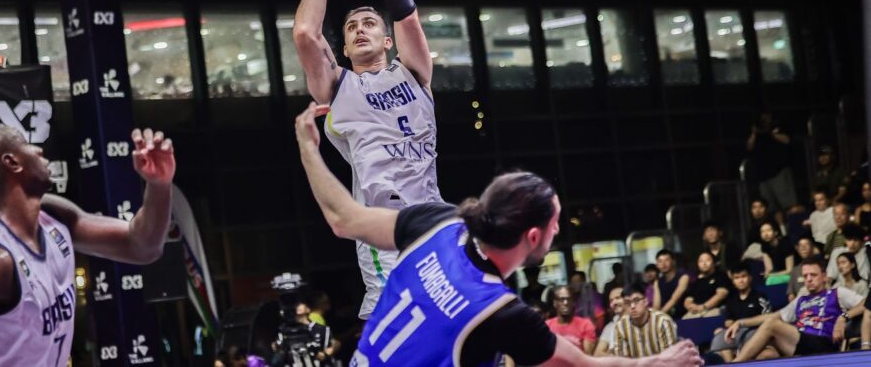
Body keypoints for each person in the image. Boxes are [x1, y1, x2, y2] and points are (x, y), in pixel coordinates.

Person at [292, 103, 703, 366]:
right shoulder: (500, 311)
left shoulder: (439, 222)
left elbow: (342, 218)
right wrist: (659, 362)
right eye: (556, 222)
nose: (559, 229)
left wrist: (309, 147)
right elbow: (584, 366)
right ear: (533, 236)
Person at [292, 0, 442, 319]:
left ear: (388, 39)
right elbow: (305, 34)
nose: (359, 28)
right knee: (394, 341)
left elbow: (408, 13)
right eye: (351, 26)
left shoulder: (413, 74)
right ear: (342, 48)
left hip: (433, 222)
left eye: (369, 22)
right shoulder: (338, 88)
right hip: (384, 234)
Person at [0, 126, 176, 365]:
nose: (39, 150)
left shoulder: (54, 217)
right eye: (26, 143)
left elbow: (142, 246)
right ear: (13, 162)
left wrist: (159, 185)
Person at [727, 257, 865, 361]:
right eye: (805, 276)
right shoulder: (801, 300)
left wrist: (843, 317)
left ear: (824, 276)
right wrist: (741, 322)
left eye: (813, 275)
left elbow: (866, 302)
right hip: (800, 344)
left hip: (823, 344)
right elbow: (775, 315)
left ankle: (735, 364)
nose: (809, 279)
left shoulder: (836, 293)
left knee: (771, 325)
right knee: (766, 355)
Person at [707, 262, 771, 362]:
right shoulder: (731, 301)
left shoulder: (760, 298)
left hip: (756, 337)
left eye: (743, 276)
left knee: (767, 354)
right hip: (737, 337)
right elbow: (728, 322)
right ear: (733, 281)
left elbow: (768, 320)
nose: (740, 280)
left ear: (750, 277)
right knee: (720, 336)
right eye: (737, 278)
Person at [747, 112, 796, 224]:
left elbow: (787, 140)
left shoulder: (778, 127)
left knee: (788, 205)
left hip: (779, 171)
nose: (765, 120)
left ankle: (794, 228)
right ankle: (782, 230)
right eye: (763, 118)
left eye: (767, 117)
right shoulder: (756, 132)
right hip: (763, 175)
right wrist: (755, 133)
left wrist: (769, 133)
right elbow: (749, 147)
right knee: (772, 208)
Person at [612, 283, 680, 359]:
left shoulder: (662, 321)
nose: (632, 306)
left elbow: (669, 359)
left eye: (636, 300)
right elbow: (622, 362)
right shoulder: (621, 326)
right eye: (627, 303)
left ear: (645, 301)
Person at [272, 302, 337, 367]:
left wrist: (320, 352)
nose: (296, 306)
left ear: (308, 309)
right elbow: (279, 353)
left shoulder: (321, 330)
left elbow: (328, 350)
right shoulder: (285, 330)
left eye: (300, 304)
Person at [546, 286, 598, 354]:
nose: (565, 303)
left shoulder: (585, 325)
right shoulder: (547, 325)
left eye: (569, 299)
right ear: (555, 303)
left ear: (574, 302)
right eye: (561, 299)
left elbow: (587, 356)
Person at [681, 252, 729, 319]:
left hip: (714, 310)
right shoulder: (696, 281)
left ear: (714, 262)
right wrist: (690, 306)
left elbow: (721, 294)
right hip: (695, 311)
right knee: (684, 321)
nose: (704, 263)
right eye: (701, 261)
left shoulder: (720, 276)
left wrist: (704, 307)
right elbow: (688, 299)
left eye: (707, 260)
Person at [652, 249, 688, 317]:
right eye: (660, 261)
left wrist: (659, 316)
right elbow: (656, 305)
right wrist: (654, 316)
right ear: (657, 265)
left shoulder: (683, 278)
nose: (663, 264)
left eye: (666, 260)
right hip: (664, 317)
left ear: (673, 261)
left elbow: (674, 299)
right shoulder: (657, 282)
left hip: (683, 316)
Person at [594, 285, 626, 357]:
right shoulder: (610, 327)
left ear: (627, 299)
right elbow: (597, 354)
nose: (614, 303)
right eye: (611, 300)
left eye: (618, 298)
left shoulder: (636, 321)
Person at [787, 236, 817, 301]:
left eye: (806, 244)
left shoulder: (819, 266)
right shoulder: (795, 270)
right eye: (801, 245)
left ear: (812, 247)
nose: (803, 248)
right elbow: (791, 295)